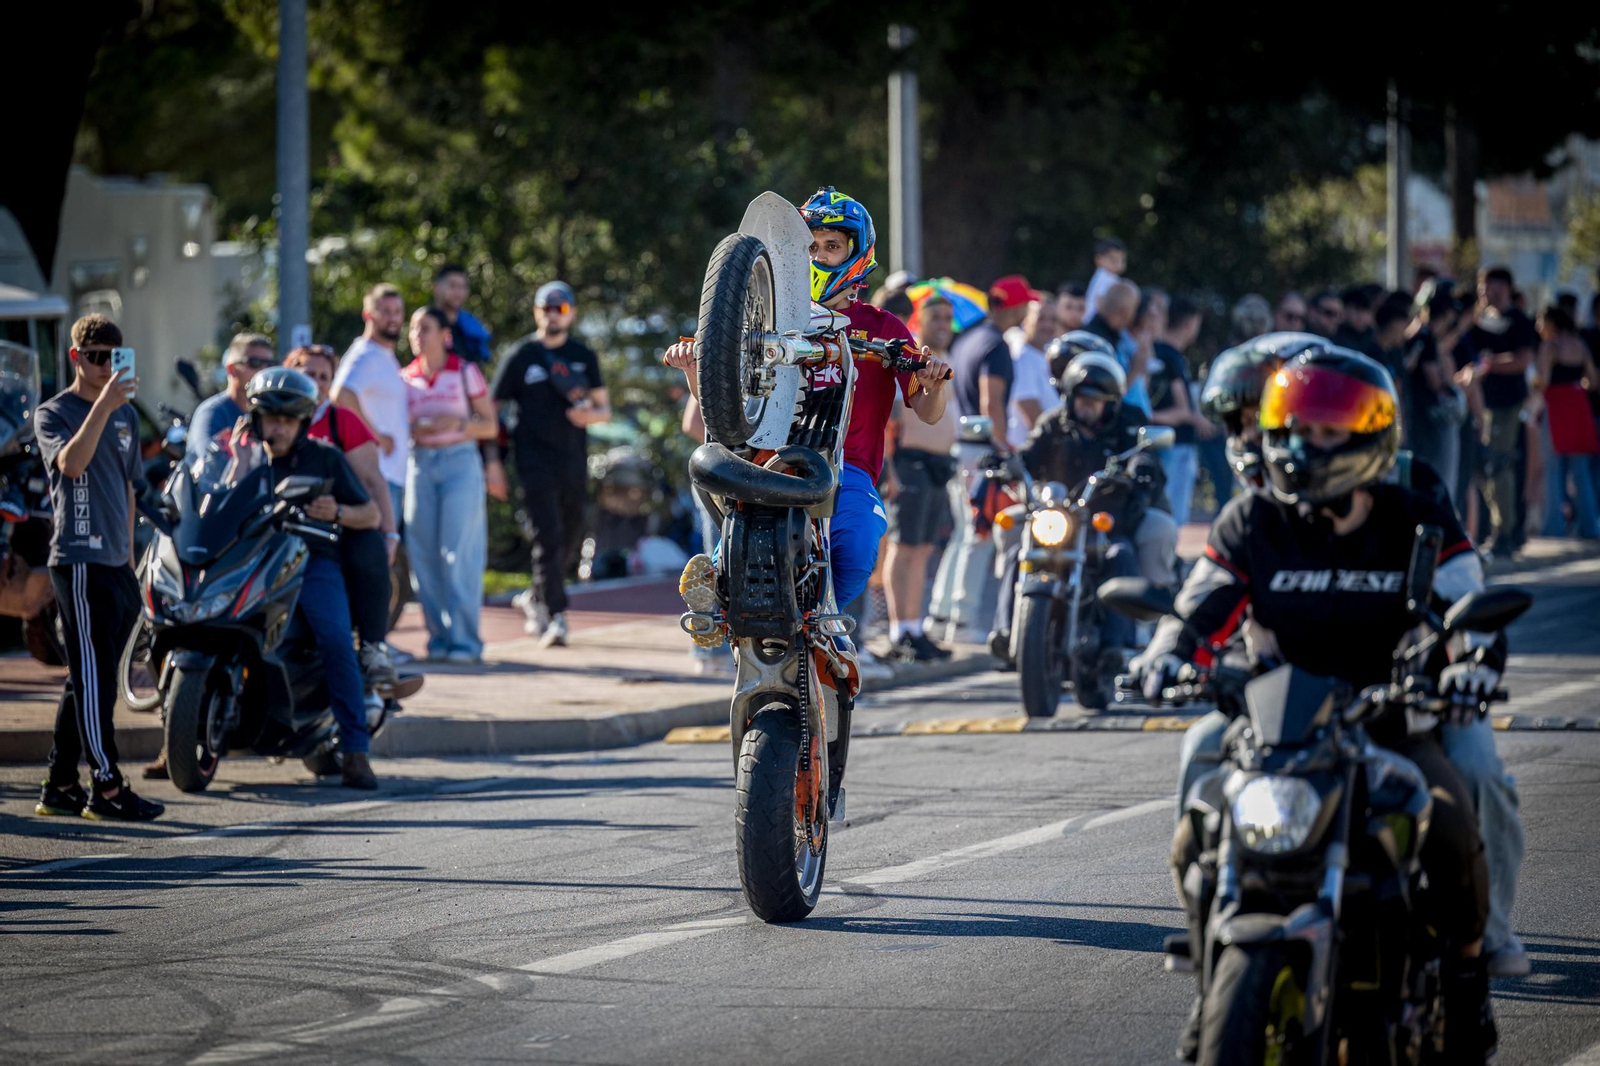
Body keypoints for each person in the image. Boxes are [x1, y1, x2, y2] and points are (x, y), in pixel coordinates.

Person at [1156, 348, 1504, 1062]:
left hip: (1390, 724)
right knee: (1199, 827)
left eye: (1323, 432)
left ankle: (1468, 979)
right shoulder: (1252, 520)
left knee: (1450, 819)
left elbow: (1468, 611)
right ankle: (1212, 982)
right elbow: (1198, 608)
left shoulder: (1418, 520)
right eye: (1291, 430)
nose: (1301, 448)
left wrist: (1471, 667)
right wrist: (1166, 655)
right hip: (1274, 730)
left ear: (1369, 437)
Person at [663, 186, 951, 664]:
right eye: (810, 247)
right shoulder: (766, 318)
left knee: (858, 548)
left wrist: (933, 384)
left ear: (858, 254)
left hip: (846, 468)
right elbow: (728, 405)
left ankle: (821, 617)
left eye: (831, 246)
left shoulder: (883, 327)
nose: (817, 256)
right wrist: (698, 369)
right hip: (774, 457)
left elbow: (927, 410)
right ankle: (715, 590)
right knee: (741, 525)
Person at [32, 314, 163, 821]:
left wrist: (128, 555)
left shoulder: (125, 414)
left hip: (114, 560)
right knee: (94, 680)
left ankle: (60, 783)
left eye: (114, 356)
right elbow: (71, 464)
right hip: (77, 558)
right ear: (76, 358)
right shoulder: (55, 412)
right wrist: (103, 406)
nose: (106, 365)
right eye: (96, 357)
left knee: (92, 675)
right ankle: (105, 786)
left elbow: (129, 488)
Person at [988, 343, 1173, 665]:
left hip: (1106, 520)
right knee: (1021, 553)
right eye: (1082, 398)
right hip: (1059, 515)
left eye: (1096, 400)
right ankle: (1006, 631)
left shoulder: (1129, 423)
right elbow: (1029, 453)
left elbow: (1145, 454)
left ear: (1110, 402)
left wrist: (1142, 468)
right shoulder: (1053, 423)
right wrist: (1007, 464)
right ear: (1070, 396)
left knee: (1121, 555)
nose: (1088, 405)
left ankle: (1117, 645)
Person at [247, 368, 384, 789]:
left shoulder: (325, 457)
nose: (278, 428)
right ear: (256, 419)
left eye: (287, 421)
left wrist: (337, 512)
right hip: (248, 562)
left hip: (310, 562)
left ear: (303, 422)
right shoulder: (239, 456)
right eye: (271, 419)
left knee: (336, 638)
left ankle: (356, 751)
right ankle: (174, 744)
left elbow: (372, 514)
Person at [493, 280, 611, 648]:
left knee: (572, 531)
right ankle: (556, 614)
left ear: (571, 313)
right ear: (536, 312)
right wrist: (492, 460)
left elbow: (604, 410)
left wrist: (587, 416)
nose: (552, 315)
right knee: (548, 534)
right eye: (546, 307)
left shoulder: (582, 355)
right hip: (532, 460)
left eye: (559, 308)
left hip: (572, 459)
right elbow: (492, 408)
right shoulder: (521, 355)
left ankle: (536, 596)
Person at [284, 344, 400, 685]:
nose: (317, 383)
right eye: (309, 374)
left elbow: (374, 482)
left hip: (333, 527)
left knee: (370, 545)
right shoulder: (272, 418)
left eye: (325, 377)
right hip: (280, 526)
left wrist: (390, 534)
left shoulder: (342, 420)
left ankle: (373, 649)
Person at [402, 307, 499, 662]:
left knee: (458, 553)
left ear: (444, 335)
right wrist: (413, 429)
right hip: (419, 464)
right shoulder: (404, 377)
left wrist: (456, 424)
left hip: (459, 462)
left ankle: (465, 642)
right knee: (423, 555)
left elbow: (490, 425)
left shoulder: (464, 371)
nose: (417, 335)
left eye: (425, 328)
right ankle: (438, 638)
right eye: (413, 328)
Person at [945, 274, 1034, 639]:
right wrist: (1002, 446)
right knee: (979, 534)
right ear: (1014, 306)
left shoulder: (969, 337)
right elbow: (990, 401)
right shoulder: (995, 344)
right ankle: (961, 621)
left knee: (964, 533)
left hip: (961, 444)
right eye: (1026, 303)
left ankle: (942, 615)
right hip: (981, 452)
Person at [883, 294, 959, 662]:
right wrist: (890, 469)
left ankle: (915, 626)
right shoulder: (911, 356)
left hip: (939, 465)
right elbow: (893, 416)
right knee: (904, 547)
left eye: (948, 318)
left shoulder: (946, 358)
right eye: (936, 318)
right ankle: (899, 631)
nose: (944, 325)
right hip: (910, 461)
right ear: (920, 321)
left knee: (924, 548)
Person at [1459, 266, 1538, 557]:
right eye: (1482, 287)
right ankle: (1494, 529)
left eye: (1490, 286)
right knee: (1486, 466)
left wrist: (1490, 366)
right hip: (1482, 405)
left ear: (1504, 288)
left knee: (1499, 464)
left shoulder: (1518, 320)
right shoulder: (1480, 320)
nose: (1485, 292)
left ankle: (1505, 532)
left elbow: (1523, 359)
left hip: (1507, 405)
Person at [333, 283, 411, 554]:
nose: (393, 318)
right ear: (368, 315)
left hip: (390, 475)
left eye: (397, 311)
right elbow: (340, 394)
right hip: (376, 476)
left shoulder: (384, 355)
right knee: (375, 557)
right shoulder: (365, 355)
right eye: (385, 311)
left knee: (383, 557)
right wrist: (375, 435)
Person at [1533, 305, 1600, 538]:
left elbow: (1542, 380)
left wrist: (1532, 384)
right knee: (1580, 470)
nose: (1538, 327)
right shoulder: (1580, 344)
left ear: (1550, 323)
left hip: (1556, 405)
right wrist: (1575, 387)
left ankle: (1554, 527)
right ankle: (1590, 526)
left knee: (1553, 469)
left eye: (1540, 322)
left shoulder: (1549, 346)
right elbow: (1593, 381)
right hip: (1578, 405)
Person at [1146, 296, 1213, 527]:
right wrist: (1197, 420)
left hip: (1157, 442)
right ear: (1190, 322)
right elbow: (1181, 408)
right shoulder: (1170, 356)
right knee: (1172, 515)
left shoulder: (1155, 351)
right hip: (1176, 444)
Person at [1404, 289, 1468, 497]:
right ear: (1446, 313)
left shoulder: (1415, 333)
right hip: (1427, 415)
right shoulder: (1426, 337)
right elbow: (1433, 378)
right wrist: (1448, 386)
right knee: (1439, 474)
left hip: (1415, 413)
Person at [186, 332, 275, 465]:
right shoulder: (212, 412)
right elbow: (209, 465)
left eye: (270, 364)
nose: (264, 371)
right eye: (255, 363)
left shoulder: (272, 412)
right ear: (231, 369)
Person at [1004, 295, 1061, 449]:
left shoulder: (1046, 354)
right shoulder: (1022, 357)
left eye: (1053, 319)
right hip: (1031, 449)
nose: (1048, 325)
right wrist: (1059, 443)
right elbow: (1031, 411)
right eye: (1041, 319)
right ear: (1026, 320)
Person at [1085, 279, 1150, 414]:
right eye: (1135, 309)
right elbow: (1105, 394)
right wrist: (1135, 369)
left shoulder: (1116, 336)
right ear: (1125, 311)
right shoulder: (1098, 343)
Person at [431, 264, 493, 364]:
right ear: (436, 288)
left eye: (463, 287)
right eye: (452, 286)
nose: (458, 292)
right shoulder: (424, 324)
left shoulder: (474, 328)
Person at [1082, 237, 1126, 322]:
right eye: (1113, 260)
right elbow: (1100, 300)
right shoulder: (1105, 277)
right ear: (1098, 260)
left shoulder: (1107, 276)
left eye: (1121, 260)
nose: (1118, 264)